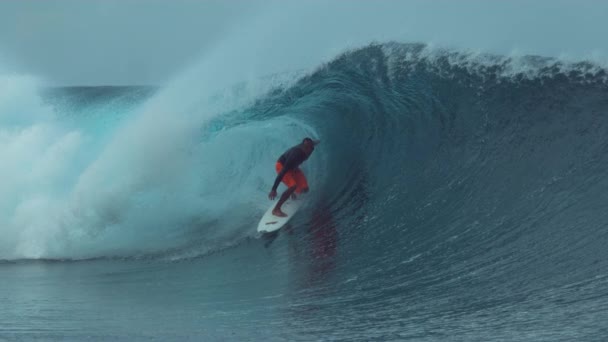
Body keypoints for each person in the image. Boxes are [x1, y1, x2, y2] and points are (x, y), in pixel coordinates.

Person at [268, 137, 320, 217]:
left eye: (311, 148)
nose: (310, 151)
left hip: (293, 168)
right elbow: (282, 173)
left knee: (305, 189)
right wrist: (274, 189)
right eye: (308, 149)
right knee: (293, 186)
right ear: (304, 147)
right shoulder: (295, 155)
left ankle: (291, 193)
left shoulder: (310, 146)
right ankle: (276, 209)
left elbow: (315, 142)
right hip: (282, 166)